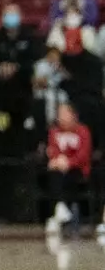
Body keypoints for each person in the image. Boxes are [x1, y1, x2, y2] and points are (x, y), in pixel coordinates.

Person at [45, 101, 92, 237]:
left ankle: (58, 210)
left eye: (65, 113)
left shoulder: (83, 131)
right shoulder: (54, 131)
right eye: (59, 114)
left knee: (67, 175)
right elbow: (52, 149)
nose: (61, 116)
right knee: (54, 174)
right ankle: (60, 207)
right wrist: (57, 161)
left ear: (73, 115)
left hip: (77, 170)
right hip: (59, 168)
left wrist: (69, 162)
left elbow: (84, 154)